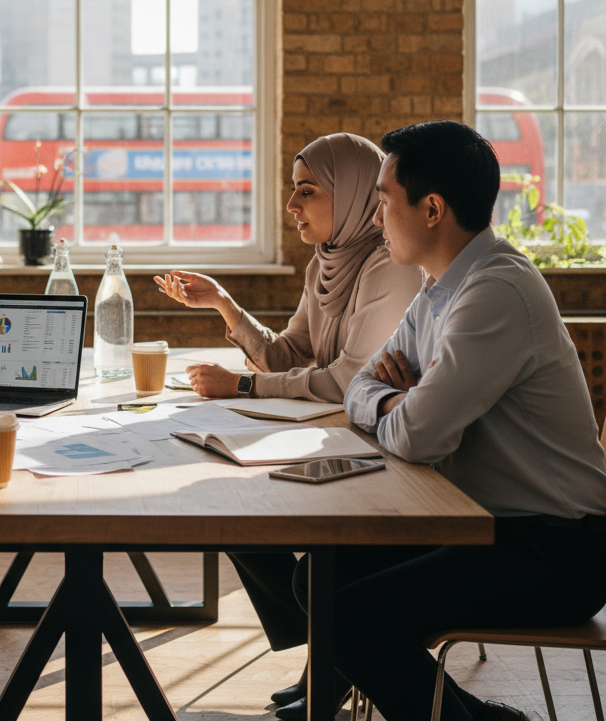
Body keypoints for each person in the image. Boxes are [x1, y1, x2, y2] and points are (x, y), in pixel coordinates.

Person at [319, 120, 606, 721]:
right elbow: (359, 388)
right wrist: (400, 401)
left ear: (431, 209)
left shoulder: (497, 289)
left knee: (349, 617)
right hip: (481, 525)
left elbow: (420, 439)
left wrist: (406, 409)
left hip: (555, 546)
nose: (375, 218)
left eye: (382, 200)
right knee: (319, 581)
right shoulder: (436, 291)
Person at [155, 132, 421, 717]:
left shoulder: (390, 268)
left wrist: (244, 385)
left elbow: (347, 379)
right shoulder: (325, 263)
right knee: (232, 505)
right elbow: (291, 356)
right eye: (292, 190)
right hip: (336, 432)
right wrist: (225, 303)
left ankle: (337, 655)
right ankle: (332, 655)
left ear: (351, 194)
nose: (292, 204)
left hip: (386, 454)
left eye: (307, 191)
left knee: (245, 505)